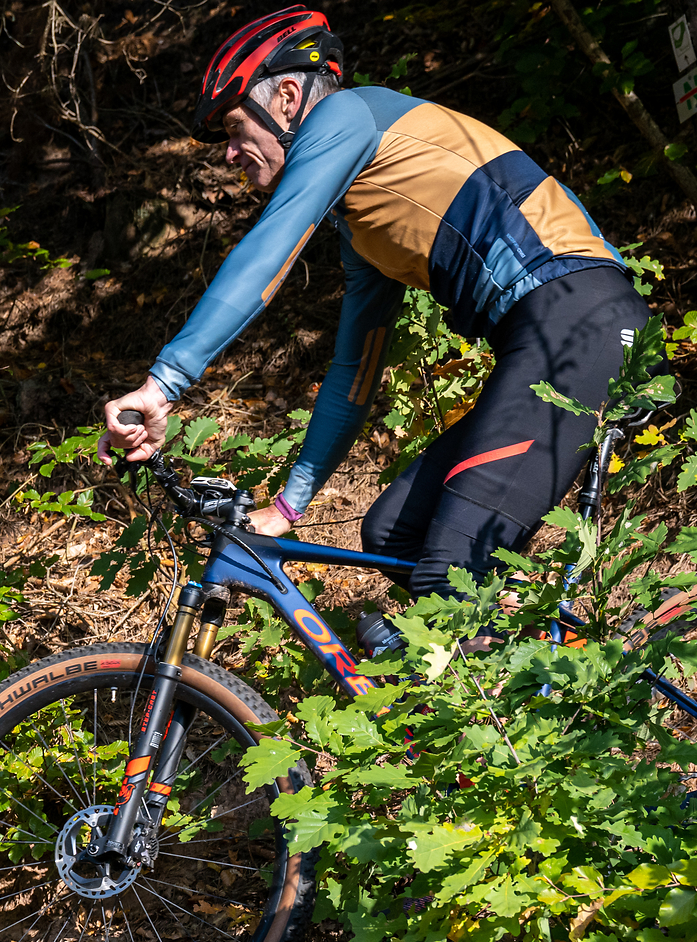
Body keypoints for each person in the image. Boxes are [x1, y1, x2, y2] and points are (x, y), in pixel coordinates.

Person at [100, 7, 648, 654]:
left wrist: (163, 385)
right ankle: (521, 680)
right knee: (393, 533)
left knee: (449, 571)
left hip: (578, 320)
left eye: (234, 126)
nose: (229, 152)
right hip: (554, 335)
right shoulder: (366, 224)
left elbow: (270, 251)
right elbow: (353, 374)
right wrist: (290, 504)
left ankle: (512, 714)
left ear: (287, 94)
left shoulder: (348, 117)